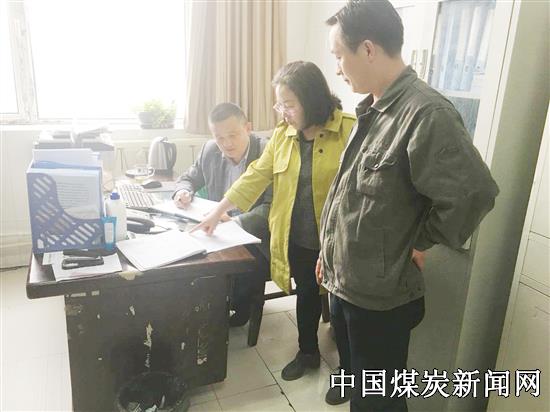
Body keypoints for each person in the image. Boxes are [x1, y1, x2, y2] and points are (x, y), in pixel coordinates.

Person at [316, 1, 500, 411]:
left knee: (378, 401)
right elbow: (352, 198)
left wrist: (420, 241)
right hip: (347, 284)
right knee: (360, 388)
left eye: (339, 56)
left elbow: (473, 193)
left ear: (367, 49)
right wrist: (328, 255)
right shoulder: (373, 109)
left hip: (379, 299)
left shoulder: (426, 114)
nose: (337, 69)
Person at [192, 61, 356, 385]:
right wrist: (217, 212)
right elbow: (255, 176)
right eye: (279, 104)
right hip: (298, 238)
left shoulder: (349, 131)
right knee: (306, 296)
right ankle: (307, 353)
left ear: (310, 99)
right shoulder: (284, 135)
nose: (282, 112)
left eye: (288, 104)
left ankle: (349, 374)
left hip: (339, 242)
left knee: (341, 309)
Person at [173, 102, 271, 327]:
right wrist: (182, 192)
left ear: (248, 128)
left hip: (255, 233)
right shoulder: (210, 150)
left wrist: (235, 221)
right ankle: (208, 305)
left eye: (233, 135)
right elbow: (188, 178)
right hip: (218, 228)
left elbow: (272, 207)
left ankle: (239, 308)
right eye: (219, 138)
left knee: (241, 264)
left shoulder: (266, 153)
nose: (226, 144)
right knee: (188, 254)